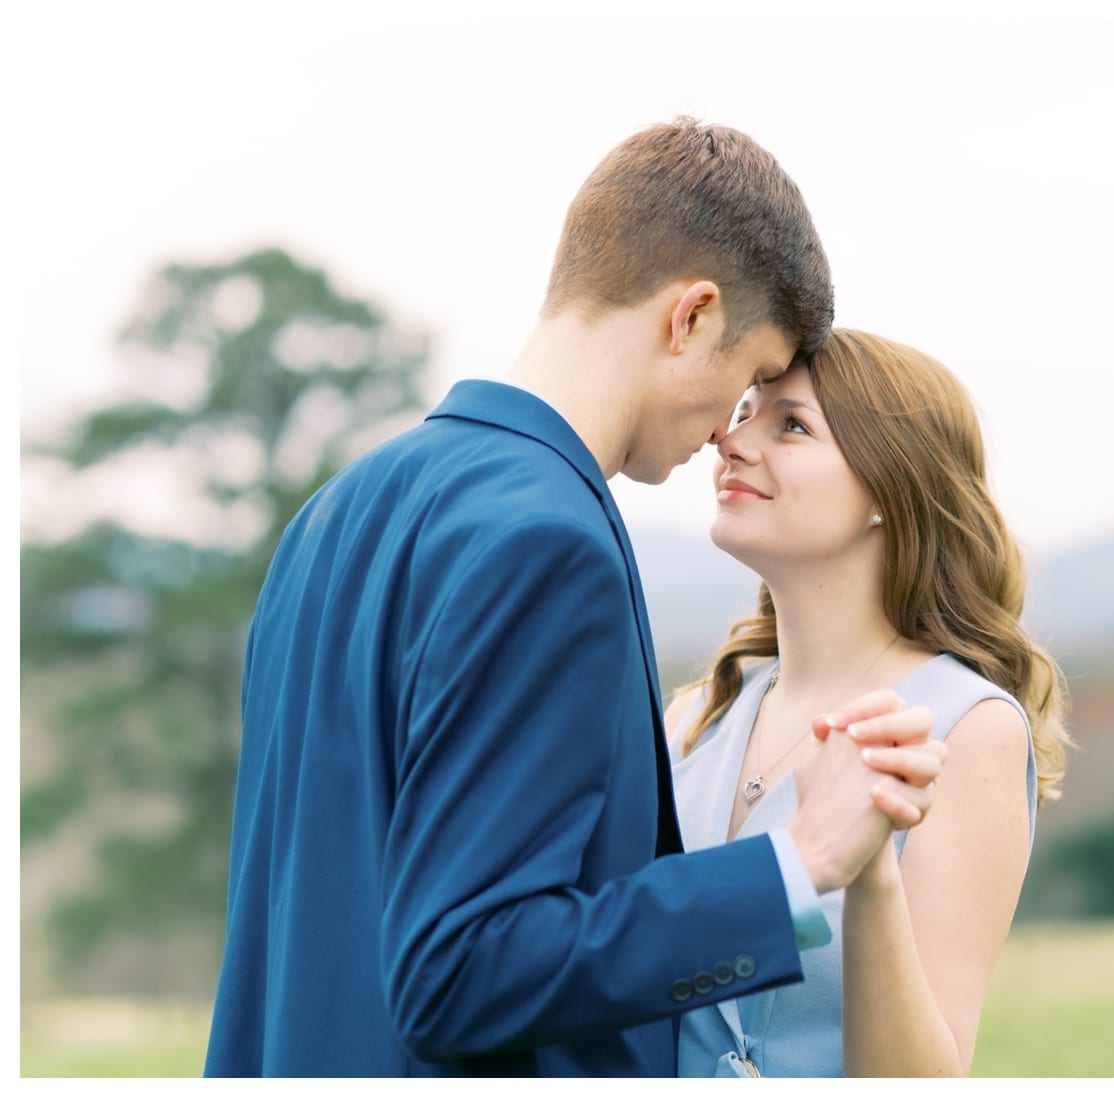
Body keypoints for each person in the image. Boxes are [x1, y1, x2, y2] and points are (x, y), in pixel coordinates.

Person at [203, 120, 949, 1078]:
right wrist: (796, 863)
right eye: (751, 376)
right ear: (691, 317)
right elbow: (460, 971)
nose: (730, 429)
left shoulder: (331, 516)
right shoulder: (550, 543)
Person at [667, 328, 1073, 1077]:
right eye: (746, 409)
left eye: (790, 424)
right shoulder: (690, 721)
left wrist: (870, 872)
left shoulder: (969, 728)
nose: (730, 438)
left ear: (889, 491)